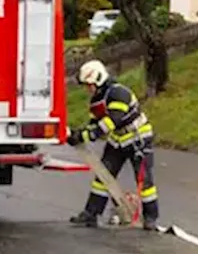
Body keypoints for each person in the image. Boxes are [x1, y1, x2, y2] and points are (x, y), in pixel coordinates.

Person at [66, 60, 160, 230]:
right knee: (103, 176)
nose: (88, 89)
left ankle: (150, 218)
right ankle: (91, 214)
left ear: (99, 79)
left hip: (138, 139)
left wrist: (86, 136)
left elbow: (112, 121)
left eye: (90, 85)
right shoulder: (98, 99)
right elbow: (95, 122)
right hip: (117, 141)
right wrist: (79, 134)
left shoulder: (118, 93)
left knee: (144, 180)